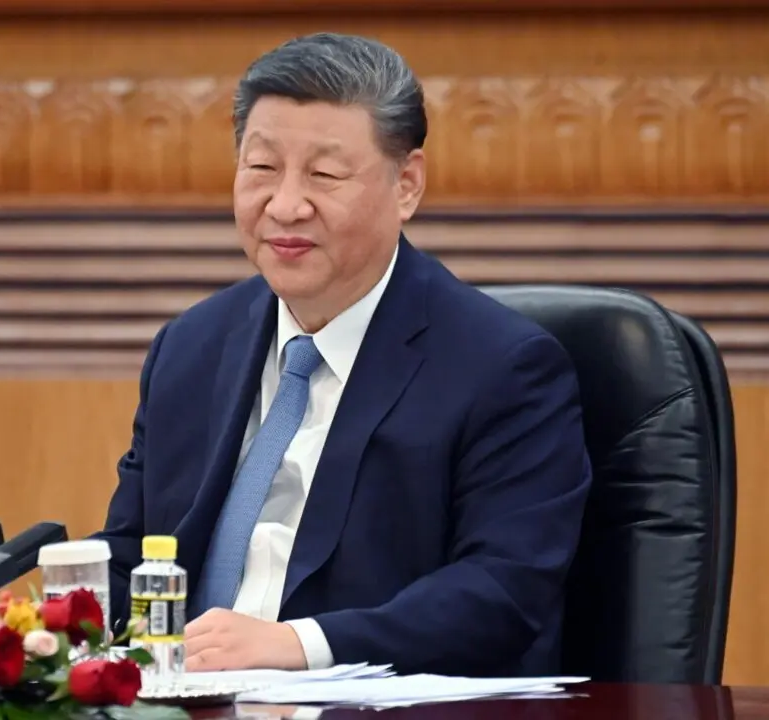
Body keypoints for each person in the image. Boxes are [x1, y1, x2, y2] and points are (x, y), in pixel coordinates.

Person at [93, 32, 592, 677]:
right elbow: (133, 555)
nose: (284, 205)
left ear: (406, 184)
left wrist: (298, 646)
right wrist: (27, 630)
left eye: (324, 175)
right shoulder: (191, 347)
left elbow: (503, 590)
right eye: (261, 168)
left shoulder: (504, 367)